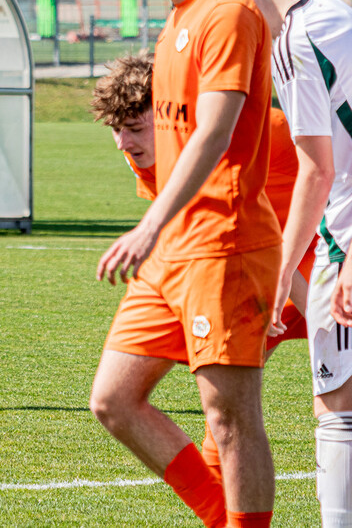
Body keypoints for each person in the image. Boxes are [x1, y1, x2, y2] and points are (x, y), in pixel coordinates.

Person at [91, 0, 281, 528]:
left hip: (224, 244)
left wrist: (149, 224)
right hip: (176, 251)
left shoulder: (226, 12)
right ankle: (221, 518)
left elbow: (215, 130)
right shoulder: (176, 19)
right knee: (114, 400)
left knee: (229, 419)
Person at [91, 52, 314, 478]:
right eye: (116, 131)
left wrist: (307, 303)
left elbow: (283, 211)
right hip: (255, 267)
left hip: (320, 258)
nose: (124, 143)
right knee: (224, 415)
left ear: (173, 117)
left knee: (334, 392)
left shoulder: (254, 137)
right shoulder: (139, 150)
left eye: (135, 129)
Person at [206, 0, 352, 526]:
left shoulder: (291, 45)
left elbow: (318, 170)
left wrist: (277, 273)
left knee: (337, 407)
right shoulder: (332, 12)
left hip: (344, 228)